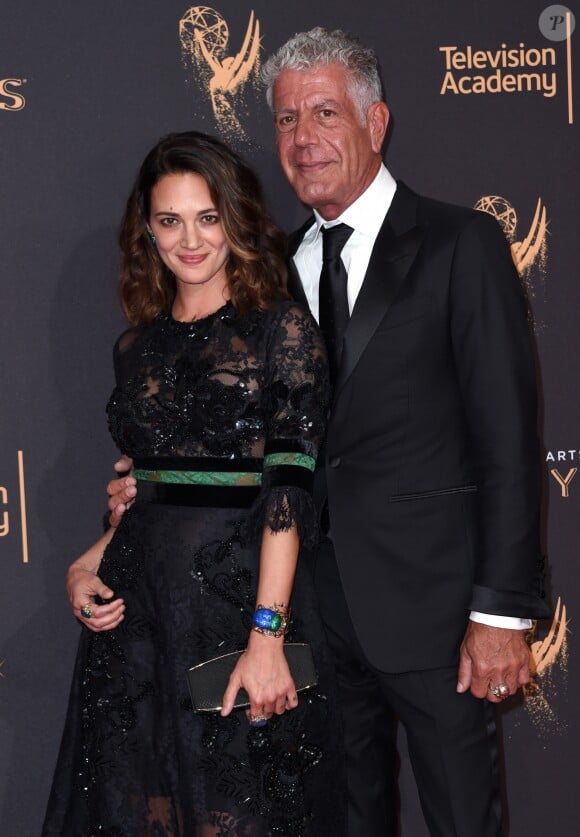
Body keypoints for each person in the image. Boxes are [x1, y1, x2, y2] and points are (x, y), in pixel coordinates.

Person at [107, 28, 551, 837]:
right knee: (340, 820)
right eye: (284, 120)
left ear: (375, 122)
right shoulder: (264, 268)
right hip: (306, 610)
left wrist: (502, 612)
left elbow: (510, 441)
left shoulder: (460, 244)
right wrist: (152, 483)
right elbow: (255, 432)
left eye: (324, 113)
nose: (303, 138)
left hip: (437, 611)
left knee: (463, 818)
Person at [43, 131, 344, 836]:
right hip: (139, 619)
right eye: (170, 220)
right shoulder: (136, 345)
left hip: (235, 607)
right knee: (139, 809)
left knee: (237, 811)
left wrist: (267, 635)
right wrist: (87, 563)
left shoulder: (282, 330)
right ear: (147, 228)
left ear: (235, 219)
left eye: (207, 217)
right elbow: (150, 488)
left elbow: (287, 494)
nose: (190, 239)